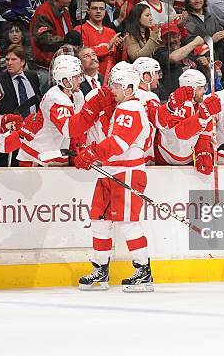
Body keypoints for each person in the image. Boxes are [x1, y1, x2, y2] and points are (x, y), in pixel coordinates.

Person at [75, 64, 154, 292]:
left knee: (128, 223)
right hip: (111, 171)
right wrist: (95, 153)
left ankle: (143, 272)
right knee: (99, 220)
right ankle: (100, 269)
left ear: (130, 88)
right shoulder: (122, 108)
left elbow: (119, 143)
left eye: (116, 85)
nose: (112, 89)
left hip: (127, 173)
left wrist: (92, 153)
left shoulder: (130, 108)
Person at [16, 54, 113, 166]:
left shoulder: (77, 94)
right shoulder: (55, 98)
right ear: (66, 81)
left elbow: (80, 127)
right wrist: (92, 107)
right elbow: (69, 130)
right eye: (77, 77)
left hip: (58, 152)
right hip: (37, 155)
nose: (81, 80)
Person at [154, 69, 221, 172]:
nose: (204, 91)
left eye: (204, 87)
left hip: (188, 159)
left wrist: (202, 151)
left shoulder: (202, 105)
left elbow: (205, 134)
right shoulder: (177, 105)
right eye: (200, 88)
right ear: (191, 89)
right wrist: (201, 117)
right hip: (165, 159)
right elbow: (180, 133)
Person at [29, 0, 73, 78]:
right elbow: (45, 40)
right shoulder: (43, 13)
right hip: (46, 66)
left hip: (62, 62)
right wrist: (68, 40)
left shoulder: (64, 11)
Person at [153, 22, 205, 101]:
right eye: (167, 38)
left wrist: (206, 66)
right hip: (172, 100)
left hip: (193, 98)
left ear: (180, 36)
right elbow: (174, 57)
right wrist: (194, 43)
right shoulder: (160, 53)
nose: (171, 40)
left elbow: (205, 77)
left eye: (174, 37)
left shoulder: (190, 55)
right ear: (163, 40)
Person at [75, 0, 122, 77]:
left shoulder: (111, 32)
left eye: (101, 9)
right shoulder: (80, 30)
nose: (98, 11)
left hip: (112, 78)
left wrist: (120, 49)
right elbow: (84, 55)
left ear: (105, 11)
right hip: (91, 78)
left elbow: (116, 59)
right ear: (88, 11)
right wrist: (107, 47)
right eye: (94, 8)